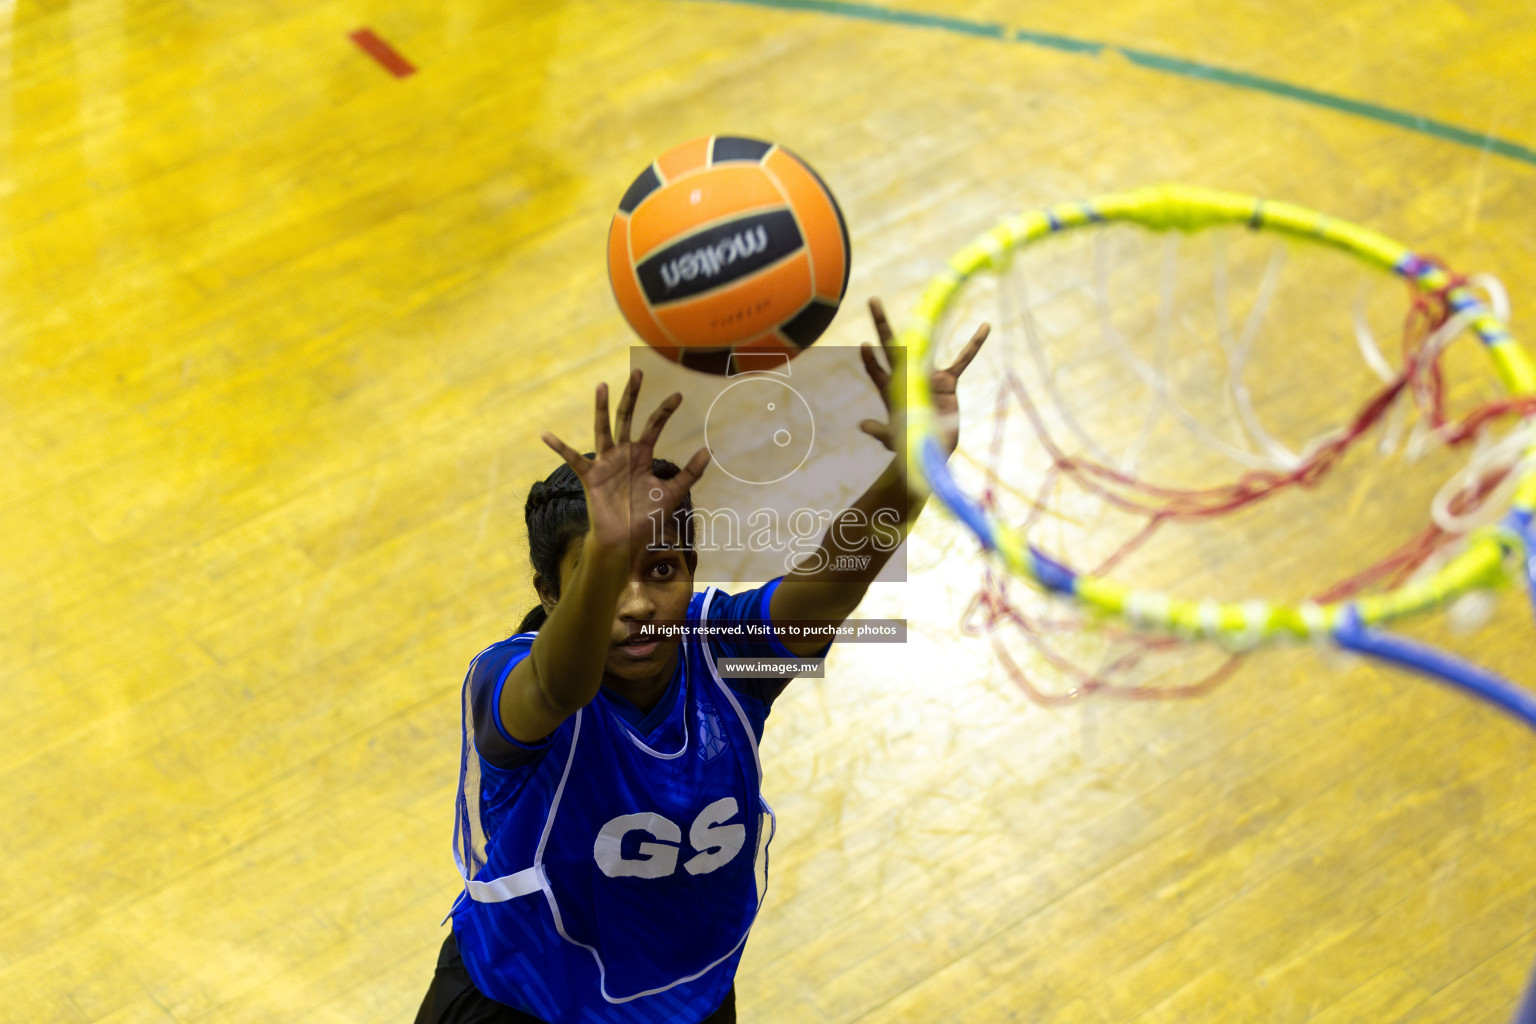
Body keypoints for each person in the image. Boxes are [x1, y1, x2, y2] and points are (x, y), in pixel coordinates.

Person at [415, 300, 988, 1023]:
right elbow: (562, 684)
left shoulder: (724, 651)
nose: (638, 603)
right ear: (550, 593)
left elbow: (828, 586)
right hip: (522, 1004)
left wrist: (910, 474)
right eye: (605, 573)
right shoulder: (509, 681)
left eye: (661, 570)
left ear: (693, 568)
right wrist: (610, 551)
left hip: (684, 1004)